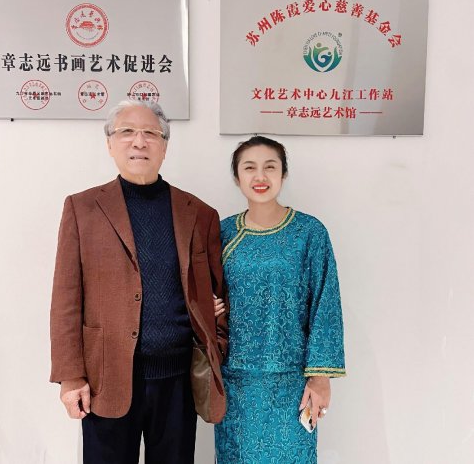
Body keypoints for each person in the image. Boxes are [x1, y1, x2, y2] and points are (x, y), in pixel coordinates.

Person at [50, 100, 228, 464]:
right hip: (106, 379)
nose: (139, 141)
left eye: (151, 133)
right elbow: (66, 299)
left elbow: (217, 294)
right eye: (127, 132)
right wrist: (70, 376)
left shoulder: (200, 213)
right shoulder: (82, 208)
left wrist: (216, 344)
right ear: (109, 143)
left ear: (164, 146)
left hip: (179, 380)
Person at [213, 136, 345, 463]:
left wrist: (320, 376)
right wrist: (209, 309)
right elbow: (203, 292)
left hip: (292, 381)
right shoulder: (222, 233)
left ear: (283, 174)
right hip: (237, 381)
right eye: (250, 168)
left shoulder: (309, 232)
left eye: (270, 167)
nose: (260, 176)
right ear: (237, 177)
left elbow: (325, 305)